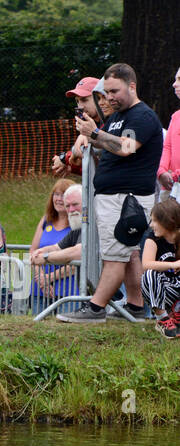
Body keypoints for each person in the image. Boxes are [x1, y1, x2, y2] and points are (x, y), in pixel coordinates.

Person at [58, 63, 166, 322]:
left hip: (126, 198)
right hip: (113, 196)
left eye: (115, 91)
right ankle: (135, 305)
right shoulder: (117, 117)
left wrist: (93, 133)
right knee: (128, 253)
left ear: (132, 86)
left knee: (114, 255)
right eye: (106, 92)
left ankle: (95, 308)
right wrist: (88, 138)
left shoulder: (142, 116)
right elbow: (101, 143)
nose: (109, 97)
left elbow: (127, 147)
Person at [31, 183, 85, 304]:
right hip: (40, 290)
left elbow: (78, 253)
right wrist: (40, 253)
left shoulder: (86, 225)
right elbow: (55, 247)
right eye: (68, 205)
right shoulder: (76, 228)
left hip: (69, 292)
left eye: (75, 204)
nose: (71, 209)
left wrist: (46, 264)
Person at [53, 77, 106, 177]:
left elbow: (101, 149)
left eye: (84, 100)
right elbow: (99, 170)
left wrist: (66, 158)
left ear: (99, 97)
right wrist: (71, 166)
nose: (80, 106)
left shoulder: (112, 120)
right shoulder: (90, 124)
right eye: (77, 101)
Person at [142, 199, 180, 337]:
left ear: (167, 221)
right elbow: (146, 264)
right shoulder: (152, 239)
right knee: (149, 274)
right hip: (162, 290)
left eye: (154, 221)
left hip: (177, 289)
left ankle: (177, 314)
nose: (151, 225)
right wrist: (173, 264)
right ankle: (162, 319)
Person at [157, 66, 180, 200]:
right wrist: (161, 172)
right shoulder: (176, 116)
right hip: (170, 188)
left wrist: (176, 175)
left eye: (179, 79)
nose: (174, 84)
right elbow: (167, 147)